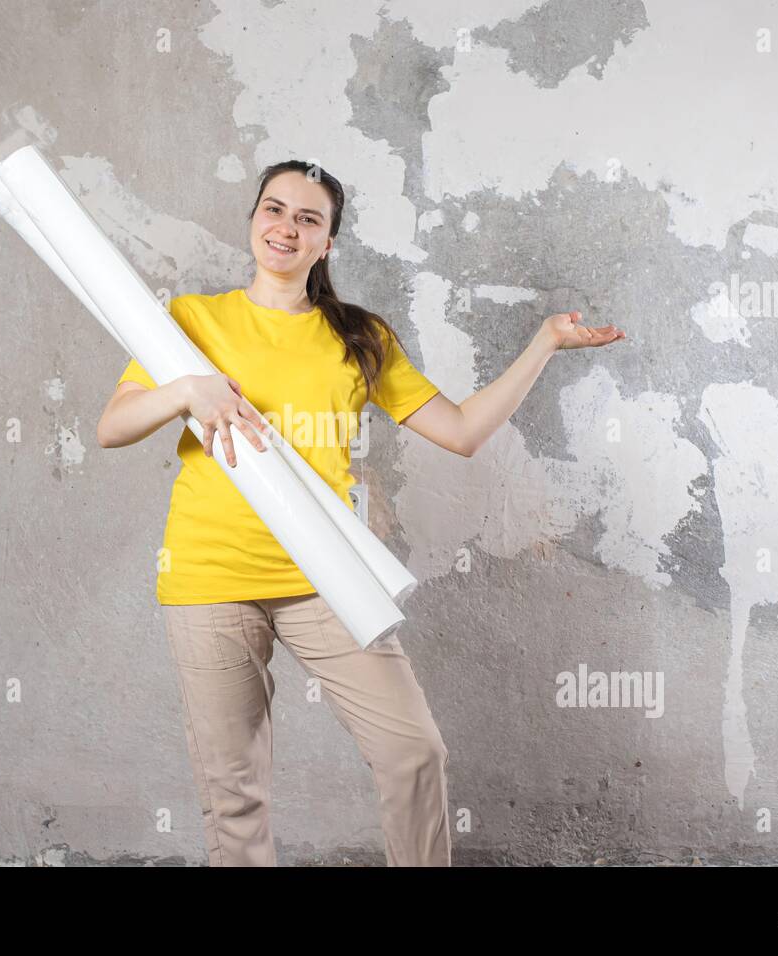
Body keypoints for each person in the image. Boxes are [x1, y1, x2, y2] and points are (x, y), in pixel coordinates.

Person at [95, 160, 625, 867]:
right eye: (274, 210)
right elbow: (113, 425)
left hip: (326, 576)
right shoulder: (192, 320)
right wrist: (188, 390)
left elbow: (463, 432)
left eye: (308, 219)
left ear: (328, 245)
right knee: (235, 793)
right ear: (254, 219)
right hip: (209, 578)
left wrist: (544, 345)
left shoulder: (361, 337)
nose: (286, 227)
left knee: (413, 752)